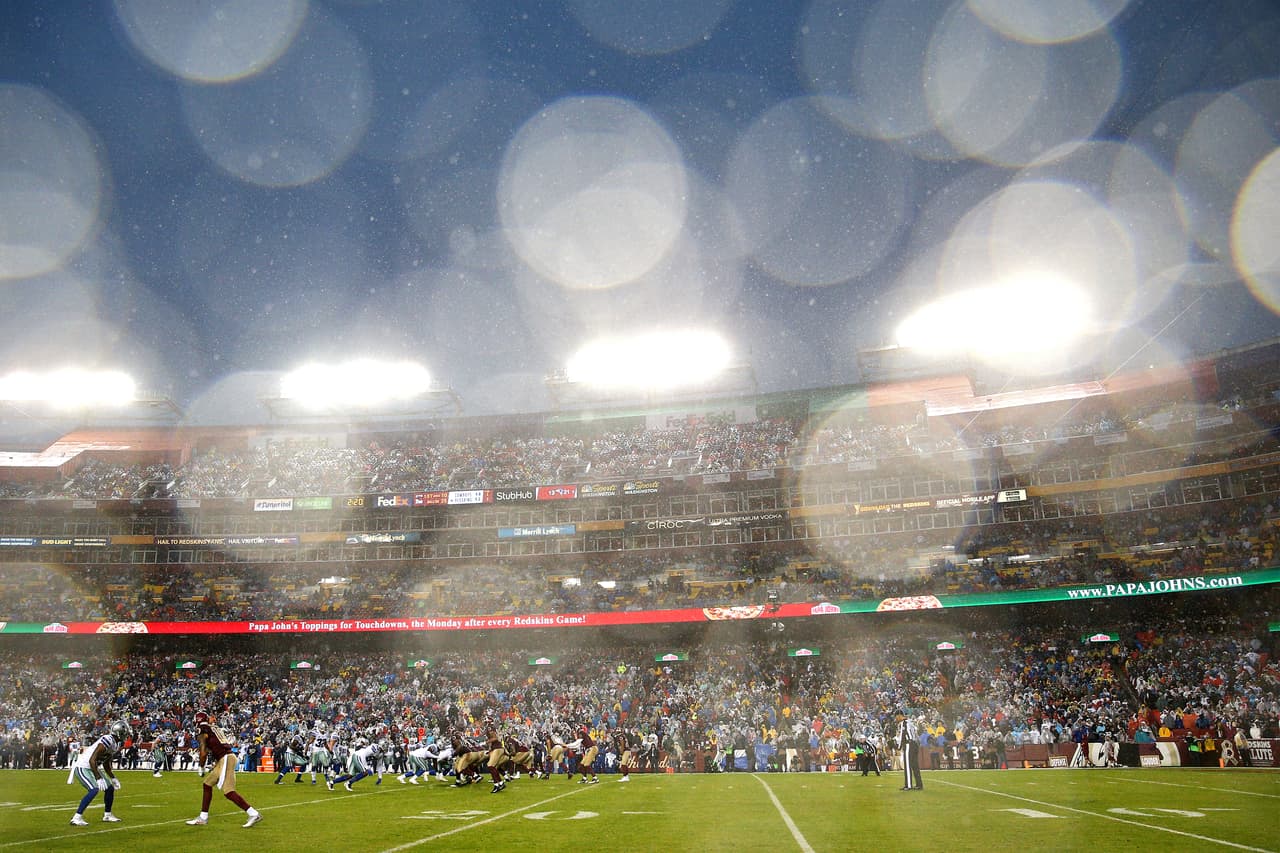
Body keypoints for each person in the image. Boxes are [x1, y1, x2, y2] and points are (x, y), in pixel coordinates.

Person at [185, 710, 262, 828]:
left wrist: (201, 766)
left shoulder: (203, 729)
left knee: (228, 791)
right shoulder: (212, 728)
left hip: (225, 758)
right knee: (207, 784)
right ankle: (203, 817)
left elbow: (203, 751)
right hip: (223, 758)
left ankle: (253, 813)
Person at [68, 720, 128, 826]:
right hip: (83, 767)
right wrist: (98, 778)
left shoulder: (115, 744)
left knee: (109, 788)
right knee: (94, 789)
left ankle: (107, 815)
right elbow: (92, 760)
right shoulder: (107, 740)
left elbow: (106, 763)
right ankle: (76, 817)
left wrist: (113, 778)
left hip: (92, 767)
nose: (126, 735)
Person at [898, 711, 922, 791]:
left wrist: (898, 747)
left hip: (909, 744)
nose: (896, 718)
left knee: (907, 765)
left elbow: (902, 736)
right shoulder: (910, 722)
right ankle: (919, 784)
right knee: (915, 765)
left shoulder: (903, 723)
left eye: (896, 716)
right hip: (915, 744)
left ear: (899, 715)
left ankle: (908, 785)